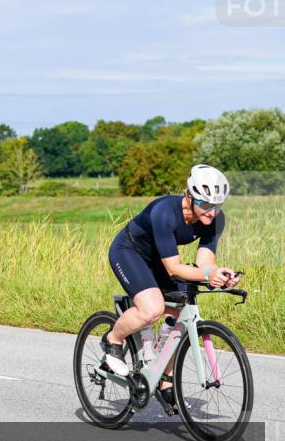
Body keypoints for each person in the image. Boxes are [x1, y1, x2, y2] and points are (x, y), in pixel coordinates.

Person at [101, 164, 239, 405]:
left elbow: (204, 261)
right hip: (129, 252)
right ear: (189, 196)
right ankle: (113, 339)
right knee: (152, 309)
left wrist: (218, 273)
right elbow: (174, 268)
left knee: (181, 312)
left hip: (161, 259)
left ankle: (165, 377)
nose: (212, 212)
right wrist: (208, 274)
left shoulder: (215, 219)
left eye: (217, 206)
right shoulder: (165, 212)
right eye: (205, 204)